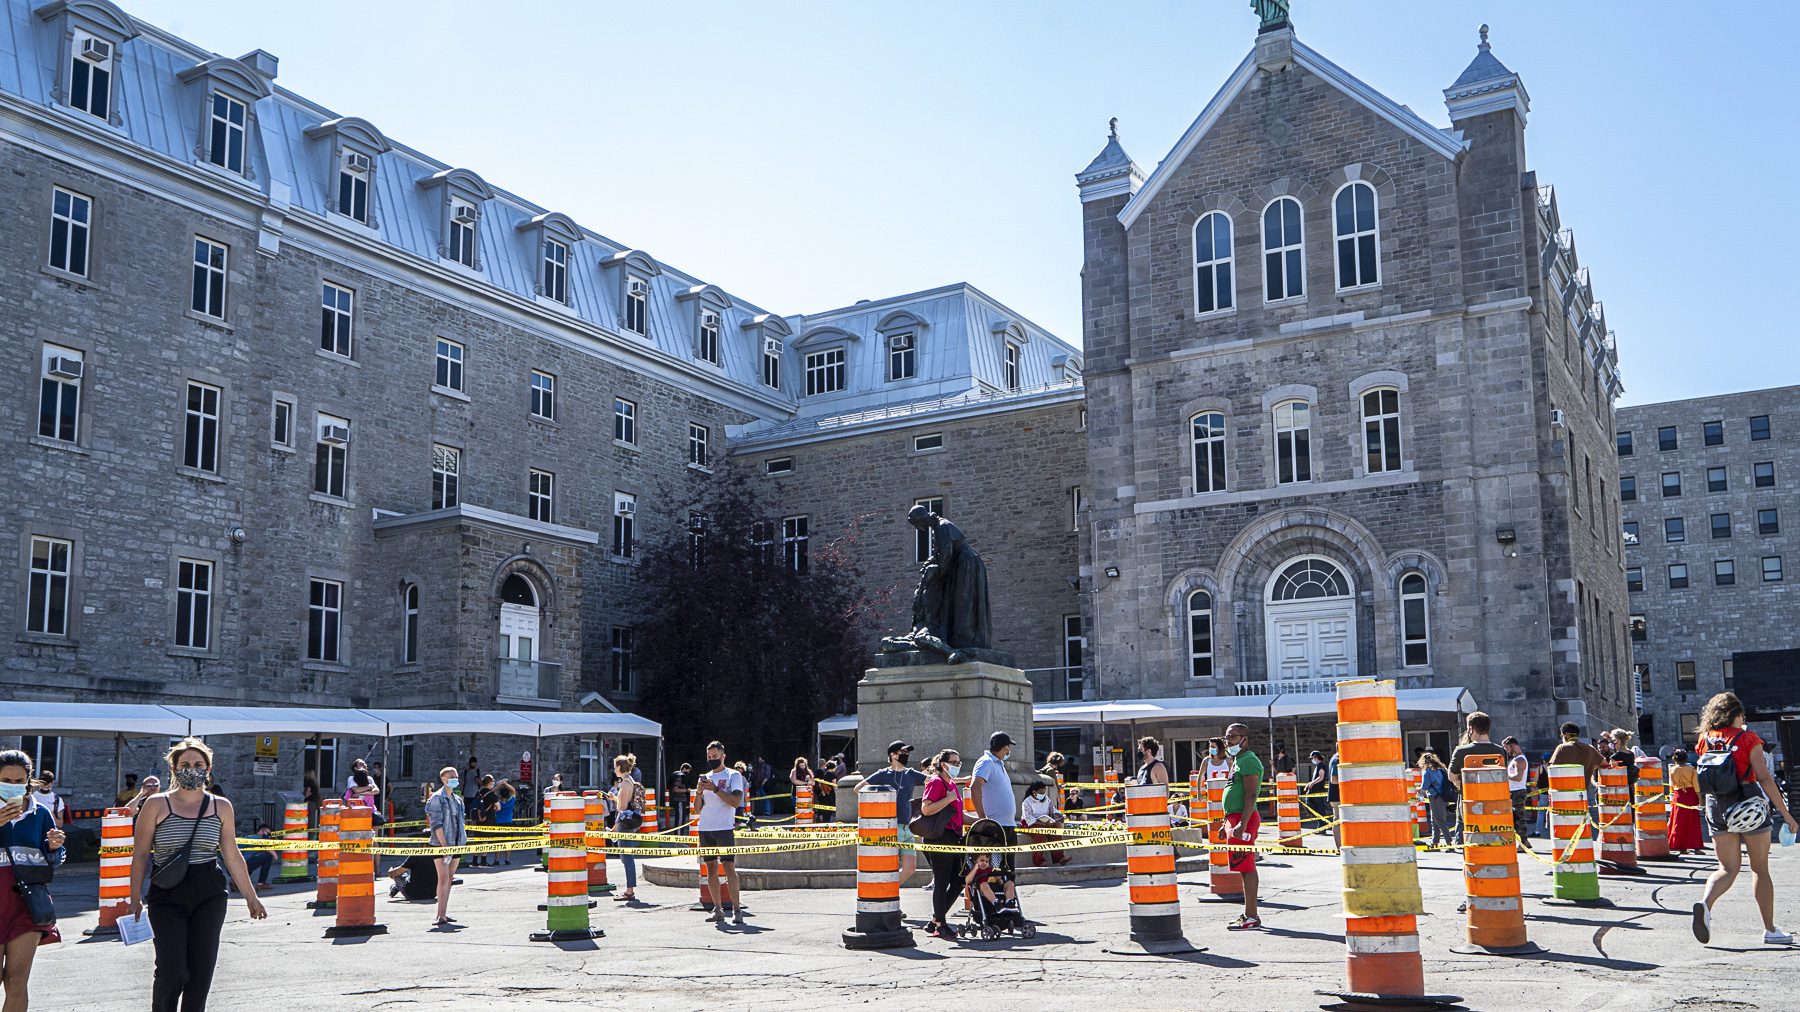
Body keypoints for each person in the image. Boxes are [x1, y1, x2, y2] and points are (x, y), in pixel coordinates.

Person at [129, 738, 266, 1012]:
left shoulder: (221, 806)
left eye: (198, 764)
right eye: (185, 764)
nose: (192, 769)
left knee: (201, 972)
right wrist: (134, 897)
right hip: (167, 893)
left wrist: (251, 897)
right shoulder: (156, 804)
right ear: (174, 769)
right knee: (173, 970)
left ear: (208, 769)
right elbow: (141, 854)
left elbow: (231, 854)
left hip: (209, 892)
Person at [1691, 692, 1799, 945]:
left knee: (1727, 869)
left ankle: (1705, 905)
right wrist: (1786, 814)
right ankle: (1770, 930)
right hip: (1748, 804)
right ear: (1736, 715)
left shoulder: (1704, 739)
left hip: (1716, 805)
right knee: (1759, 869)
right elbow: (1764, 778)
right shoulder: (1749, 738)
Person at [0, 749, 66, 1011]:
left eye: (19, 782)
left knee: (17, 981)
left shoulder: (40, 814)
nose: (12, 786)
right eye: (6, 780)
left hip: (26, 902)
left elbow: (54, 861)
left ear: (28, 781)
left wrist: (53, 847)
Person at [693, 742, 747, 925]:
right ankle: (717, 909)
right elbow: (697, 809)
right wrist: (699, 792)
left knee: (729, 867)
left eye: (714, 756)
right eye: (709, 757)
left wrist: (715, 789)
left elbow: (735, 801)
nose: (711, 760)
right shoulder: (706, 777)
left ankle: (737, 909)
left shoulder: (733, 775)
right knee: (711, 870)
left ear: (723, 756)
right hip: (705, 828)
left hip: (724, 827)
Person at [918, 748, 966, 941]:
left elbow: (959, 814)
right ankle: (940, 924)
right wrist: (947, 799)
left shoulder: (952, 784)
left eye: (959, 762)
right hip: (938, 837)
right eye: (954, 762)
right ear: (943, 764)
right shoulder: (936, 782)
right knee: (942, 881)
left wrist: (981, 818)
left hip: (953, 836)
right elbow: (926, 809)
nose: (957, 765)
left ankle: (935, 920)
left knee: (959, 879)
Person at [862, 742, 926, 885]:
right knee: (889, 866)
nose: (906, 755)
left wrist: (961, 780)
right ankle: (884, 894)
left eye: (907, 753)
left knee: (910, 868)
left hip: (907, 828)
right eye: (902, 752)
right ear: (892, 755)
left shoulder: (910, 773)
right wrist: (881, 797)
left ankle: (888, 889)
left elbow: (935, 781)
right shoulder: (882, 774)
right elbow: (859, 788)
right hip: (890, 827)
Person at [1221, 724, 1264, 930]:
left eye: (1232, 737)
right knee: (1241, 867)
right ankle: (1248, 913)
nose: (1228, 741)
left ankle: (1252, 916)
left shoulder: (1249, 760)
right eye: (1226, 737)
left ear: (1244, 739)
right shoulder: (1237, 761)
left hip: (1243, 820)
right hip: (1235, 819)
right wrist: (1225, 823)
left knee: (1247, 867)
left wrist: (1241, 824)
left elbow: (1250, 794)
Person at [971, 732, 1019, 875]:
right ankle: (994, 896)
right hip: (995, 826)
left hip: (1008, 825)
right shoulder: (986, 762)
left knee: (1009, 869)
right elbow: (975, 786)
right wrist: (982, 818)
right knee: (996, 869)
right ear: (1005, 748)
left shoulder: (997, 763)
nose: (1009, 751)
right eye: (1008, 748)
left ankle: (1008, 896)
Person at [424, 766, 466, 928]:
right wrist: (445, 846)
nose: (455, 778)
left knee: (449, 879)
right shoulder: (436, 798)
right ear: (443, 779)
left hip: (456, 844)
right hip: (441, 845)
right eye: (451, 776)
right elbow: (436, 824)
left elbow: (460, 822)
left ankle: (444, 912)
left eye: (455, 776)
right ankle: (440, 914)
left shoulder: (457, 800)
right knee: (443, 878)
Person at [608, 755, 641, 902]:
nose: (614, 769)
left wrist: (615, 827)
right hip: (628, 821)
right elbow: (624, 803)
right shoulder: (629, 781)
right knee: (626, 857)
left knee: (626, 857)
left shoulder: (626, 783)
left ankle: (629, 891)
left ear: (620, 767)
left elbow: (622, 809)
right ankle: (629, 889)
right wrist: (615, 798)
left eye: (615, 766)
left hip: (625, 824)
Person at [1019, 779, 1068, 867]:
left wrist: (1059, 816)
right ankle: (1039, 861)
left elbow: (1053, 809)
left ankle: (1059, 858)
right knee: (1040, 833)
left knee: (1055, 831)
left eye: (1044, 792)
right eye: (1041, 793)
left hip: (1046, 822)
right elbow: (1028, 818)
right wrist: (1043, 824)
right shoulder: (1026, 802)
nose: (1043, 795)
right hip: (1030, 824)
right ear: (1034, 792)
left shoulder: (1046, 799)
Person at [1668, 749, 1704, 855]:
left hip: (1678, 796)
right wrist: (1700, 799)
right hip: (1690, 795)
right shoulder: (1692, 769)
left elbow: (1672, 785)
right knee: (1693, 822)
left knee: (1679, 821)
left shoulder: (1672, 770)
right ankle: (1696, 847)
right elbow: (1696, 786)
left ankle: (1681, 847)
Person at [1420, 752, 1457, 848]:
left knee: (1439, 821)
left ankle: (1449, 842)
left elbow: (1424, 787)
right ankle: (1435, 842)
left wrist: (1417, 792)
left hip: (1435, 797)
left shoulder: (1427, 771)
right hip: (1444, 796)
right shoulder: (1442, 769)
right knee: (1435, 820)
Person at [1501, 737, 1532, 851]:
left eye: (1507, 747)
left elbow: (1518, 777)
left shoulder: (1520, 760)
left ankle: (1522, 843)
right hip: (1513, 791)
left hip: (1517, 791)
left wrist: (1504, 774)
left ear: (1512, 745)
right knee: (1516, 817)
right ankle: (1524, 841)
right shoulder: (1515, 759)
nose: (1506, 750)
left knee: (1519, 818)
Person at [467, 776, 499, 867]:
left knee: (477, 840)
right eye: (492, 783)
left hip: (478, 819)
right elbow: (498, 807)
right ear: (489, 783)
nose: (493, 784)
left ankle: (474, 860)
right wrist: (491, 811)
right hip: (488, 820)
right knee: (485, 840)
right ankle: (483, 861)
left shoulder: (479, 792)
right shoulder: (492, 795)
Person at [234, 823, 274, 891]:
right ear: (262, 831)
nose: (269, 837)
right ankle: (261, 884)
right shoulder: (259, 839)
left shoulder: (249, 837)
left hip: (234, 865)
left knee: (255, 858)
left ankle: (235, 882)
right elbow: (274, 855)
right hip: (243, 865)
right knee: (268, 856)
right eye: (268, 834)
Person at [494, 780, 517, 866]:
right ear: (508, 796)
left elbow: (491, 793)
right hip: (508, 823)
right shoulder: (510, 802)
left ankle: (496, 859)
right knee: (508, 842)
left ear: (500, 796)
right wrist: (506, 784)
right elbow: (514, 791)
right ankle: (507, 859)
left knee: (497, 842)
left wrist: (498, 786)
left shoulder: (497, 804)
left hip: (498, 823)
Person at [669, 763, 692, 830]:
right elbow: (675, 789)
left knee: (681, 819)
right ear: (684, 769)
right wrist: (686, 790)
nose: (688, 773)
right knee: (680, 819)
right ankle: (678, 835)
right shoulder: (679, 777)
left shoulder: (680, 776)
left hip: (681, 801)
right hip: (680, 801)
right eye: (688, 771)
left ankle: (679, 834)